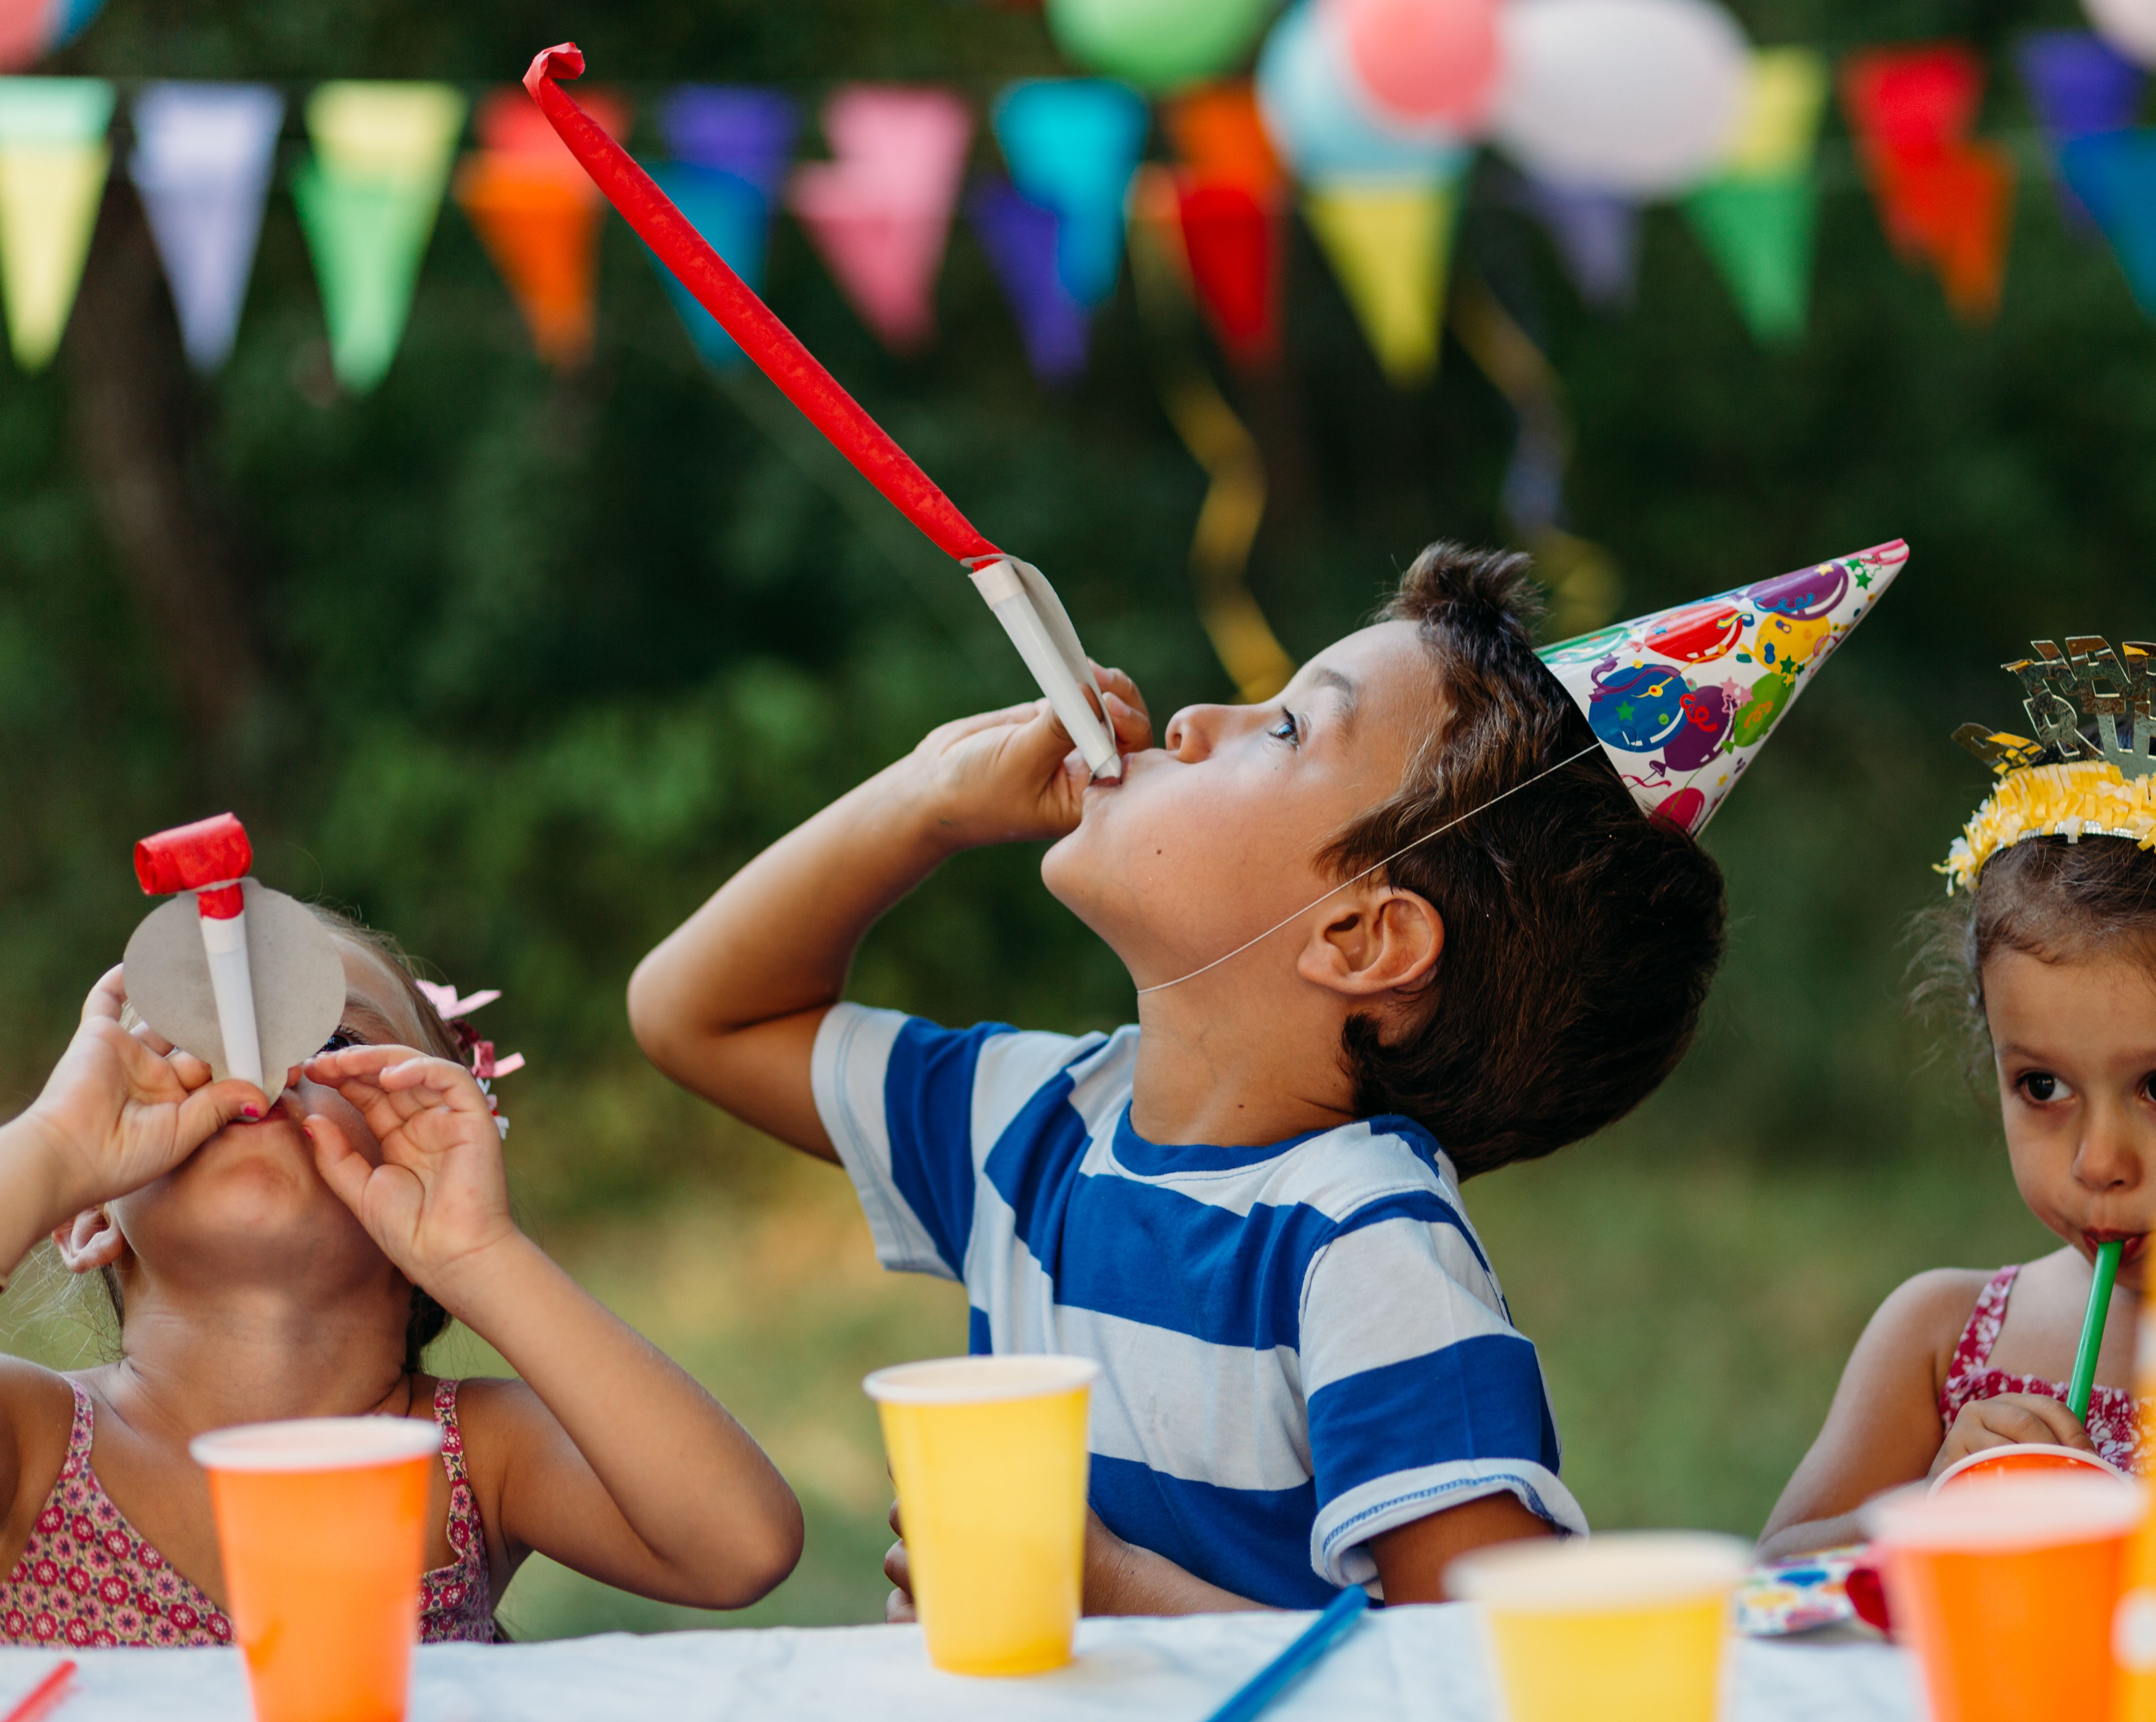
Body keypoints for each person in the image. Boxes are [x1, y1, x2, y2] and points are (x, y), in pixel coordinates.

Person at [629, 545, 1735, 1612]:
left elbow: (1479, 1677)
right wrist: (930, 800)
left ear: (1359, 940)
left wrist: (1107, 1596)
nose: (1196, 721)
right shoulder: (1031, 1129)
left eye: (1288, 726)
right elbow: (695, 1016)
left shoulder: (1367, 1252)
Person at [0, 913, 803, 1647]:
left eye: (335, 1036)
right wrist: (54, 1154)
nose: (251, 1059)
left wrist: (480, 1255)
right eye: (184, 1037)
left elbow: (740, 1546)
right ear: (87, 1217)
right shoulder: (32, 1444)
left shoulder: (476, 1456)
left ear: (433, 1159)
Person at [1757, 639, 2156, 1561]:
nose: (2099, 1162)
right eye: (2044, 1087)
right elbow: (1774, 1574)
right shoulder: (1940, 1339)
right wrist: (1929, 1507)